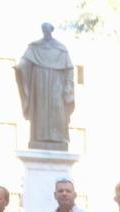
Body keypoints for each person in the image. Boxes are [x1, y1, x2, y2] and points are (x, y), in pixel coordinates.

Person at [15, 23, 75, 151]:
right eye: (44, 30)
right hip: (40, 83)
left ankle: (58, 137)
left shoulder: (61, 49)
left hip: (57, 83)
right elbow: (25, 61)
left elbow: (69, 69)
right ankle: (39, 137)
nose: (45, 33)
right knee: (40, 109)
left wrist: (69, 86)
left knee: (58, 108)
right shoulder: (34, 47)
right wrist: (20, 67)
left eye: (47, 30)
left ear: (51, 31)